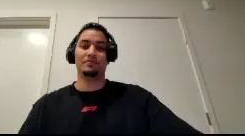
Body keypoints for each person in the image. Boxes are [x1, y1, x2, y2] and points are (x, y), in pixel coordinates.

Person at [17, 22, 201, 134]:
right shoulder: (46, 106)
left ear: (109, 56)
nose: (91, 52)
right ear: (73, 53)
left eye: (100, 47)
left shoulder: (137, 98)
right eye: (85, 45)